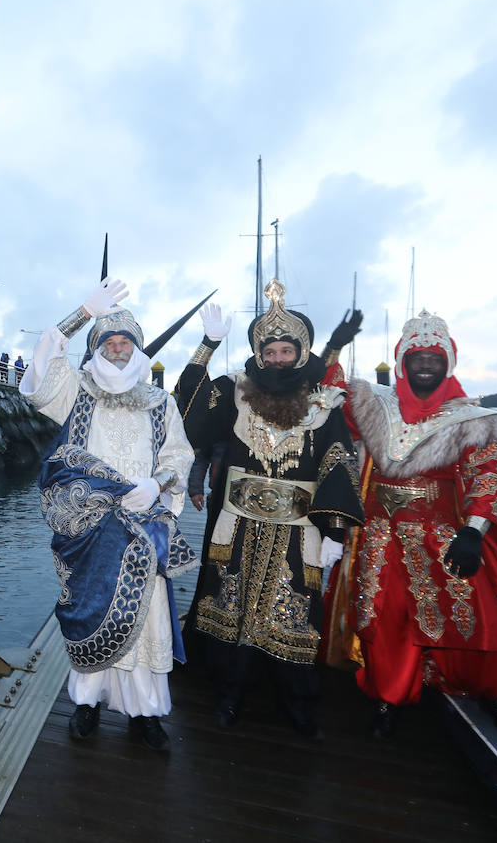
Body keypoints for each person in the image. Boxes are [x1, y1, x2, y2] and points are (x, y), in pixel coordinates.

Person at [175, 280, 365, 737]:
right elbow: (188, 409)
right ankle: (229, 694)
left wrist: (335, 531)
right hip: (236, 525)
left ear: (300, 353)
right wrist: (208, 344)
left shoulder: (325, 403)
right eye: (271, 351)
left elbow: (338, 461)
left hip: (299, 530)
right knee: (232, 605)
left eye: (286, 351)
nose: (278, 359)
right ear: (259, 355)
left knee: (294, 609)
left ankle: (297, 703)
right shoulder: (235, 392)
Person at [338, 310, 497, 739]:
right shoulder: (375, 407)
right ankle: (388, 698)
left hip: (445, 533)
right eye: (417, 357)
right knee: (387, 620)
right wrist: (335, 345)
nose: (425, 364)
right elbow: (324, 394)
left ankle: (493, 692)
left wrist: (474, 532)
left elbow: (487, 479)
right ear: (402, 362)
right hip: (382, 533)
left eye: (434, 357)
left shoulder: (473, 419)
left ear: (448, 362)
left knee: (477, 616)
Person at [19, 277, 196, 751]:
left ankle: (146, 714)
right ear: (97, 348)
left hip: (142, 524)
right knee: (90, 610)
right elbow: (36, 380)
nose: (117, 349)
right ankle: (86, 703)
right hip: (91, 530)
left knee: (147, 617)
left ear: (137, 349)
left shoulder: (162, 402)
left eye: (125, 342)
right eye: (109, 341)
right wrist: (80, 313)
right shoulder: (75, 392)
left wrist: (155, 485)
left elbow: (179, 456)